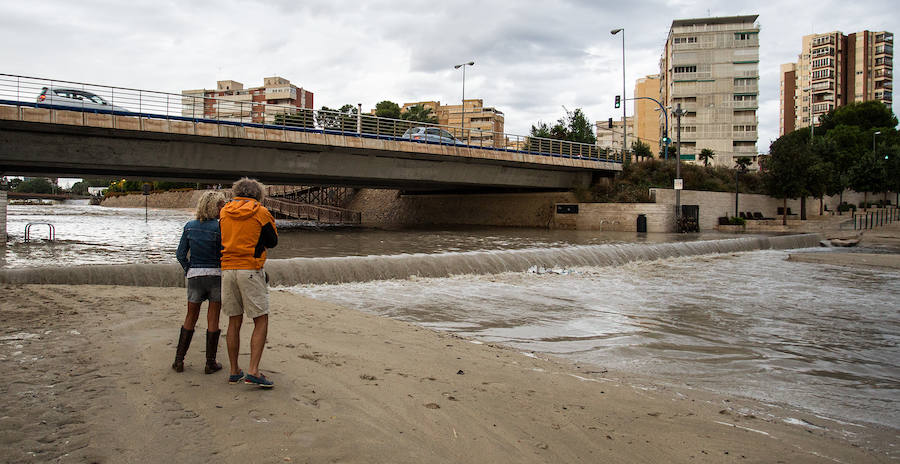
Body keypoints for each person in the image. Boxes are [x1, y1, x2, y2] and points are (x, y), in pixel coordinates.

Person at [220, 178, 278, 388]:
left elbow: (221, 238)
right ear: (258, 194)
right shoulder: (261, 212)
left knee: (234, 322)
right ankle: (253, 370)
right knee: (260, 320)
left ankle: (234, 370)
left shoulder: (224, 212)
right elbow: (273, 241)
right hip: (250, 270)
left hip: (227, 269)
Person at [173, 190, 227, 374]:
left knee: (191, 317)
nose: (224, 208)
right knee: (213, 318)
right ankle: (210, 363)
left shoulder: (189, 226)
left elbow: (180, 254)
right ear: (215, 207)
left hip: (195, 275)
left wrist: (189, 269)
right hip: (216, 275)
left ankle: (179, 361)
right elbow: (225, 253)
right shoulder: (221, 227)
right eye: (221, 205)